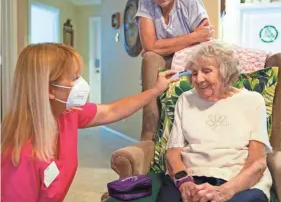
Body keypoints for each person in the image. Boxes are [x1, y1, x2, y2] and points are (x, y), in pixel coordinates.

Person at [1, 43, 178, 202]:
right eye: (74, 78)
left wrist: (155, 90)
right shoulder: (19, 156)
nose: (81, 83)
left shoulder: (68, 113)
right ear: (49, 90)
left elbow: (112, 110)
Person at [157, 41, 272, 202]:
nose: (198, 79)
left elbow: (257, 162)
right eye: (194, 73)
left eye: (206, 71)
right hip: (192, 175)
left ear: (226, 73)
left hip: (238, 179)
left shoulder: (253, 101)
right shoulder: (186, 99)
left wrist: (226, 190)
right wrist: (184, 182)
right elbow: (173, 152)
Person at [136, 0, 214, 58]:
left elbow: (205, 36)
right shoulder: (146, 1)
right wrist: (194, 36)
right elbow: (150, 46)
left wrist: (159, 47)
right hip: (162, 60)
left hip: (190, 58)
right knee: (149, 57)